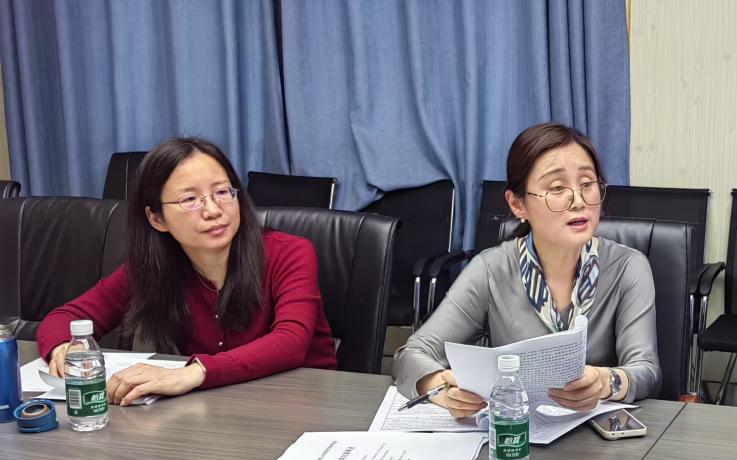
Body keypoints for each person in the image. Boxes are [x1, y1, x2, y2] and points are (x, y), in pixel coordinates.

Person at [37, 137, 337, 404]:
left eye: (222, 192)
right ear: (157, 219)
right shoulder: (152, 268)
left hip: (301, 404)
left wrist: (193, 373)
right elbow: (66, 317)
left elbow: (290, 341)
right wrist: (64, 347)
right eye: (190, 199)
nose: (213, 210)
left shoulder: (290, 253)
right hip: (217, 411)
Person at [394, 122, 660, 415]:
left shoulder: (628, 267)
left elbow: (647, 370)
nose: (578, 201)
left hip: (593, 432)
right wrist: (441, 388)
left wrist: (607, 381)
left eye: (587, 184)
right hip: (515, 431)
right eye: (557, 188)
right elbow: (411, 354)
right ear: (517, 204)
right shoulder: (492, 269)